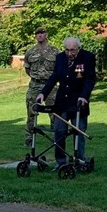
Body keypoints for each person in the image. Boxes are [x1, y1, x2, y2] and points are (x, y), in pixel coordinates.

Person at [36, 37, 96, 171]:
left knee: (79, 132)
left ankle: (80, 162)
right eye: (67, 50)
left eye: (72, 50)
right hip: (62, 102)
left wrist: (84, 96)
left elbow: (89, 80)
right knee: (59, 132)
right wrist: (43, 93)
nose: (70, 53)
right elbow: (54, 77)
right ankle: (61, 163)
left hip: (79, 102)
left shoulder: (88, 57)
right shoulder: (60, 58)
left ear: (78, 48)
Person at [23, 26, 58, 146]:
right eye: (38, 33)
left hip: (51, 86)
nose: (40, 35)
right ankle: (29, 137)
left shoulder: (55, 51)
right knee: (31, 111)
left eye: (42, 33)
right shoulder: (30, 51)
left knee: (54, 112)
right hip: (35, 85)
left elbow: (59, 69)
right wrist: (36, 77)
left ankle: (56, 137)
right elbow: (27, 69)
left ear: (46, 35)